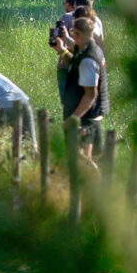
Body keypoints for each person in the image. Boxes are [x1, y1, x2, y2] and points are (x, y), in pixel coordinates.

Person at [57, 16, 108, 169]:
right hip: (86, 118)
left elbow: (90, 95)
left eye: (73, 33)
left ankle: (98, 192)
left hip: (84, 121)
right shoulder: (89, 50)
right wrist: (61, 50)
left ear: (77, 34)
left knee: (85, 165)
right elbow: (75, 62)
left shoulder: (88, 60)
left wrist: (73, 118)